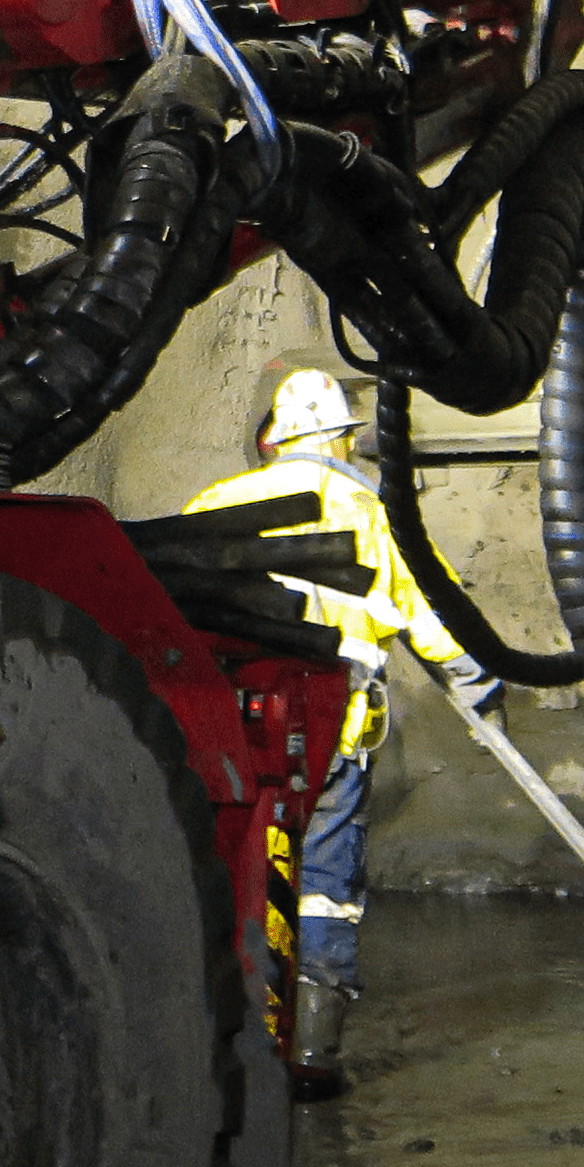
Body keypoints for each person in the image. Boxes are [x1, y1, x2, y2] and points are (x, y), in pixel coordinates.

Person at [181, 365, 463, 1091]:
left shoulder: (217, 500)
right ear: (340, 437)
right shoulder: (362, 506)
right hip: (334, 726)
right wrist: (474, 674)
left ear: (274, 436)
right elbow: (423, 608)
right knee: (327, 882)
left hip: (236, 728)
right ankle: (309, 1056)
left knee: (232, 866)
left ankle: (216, 1048)